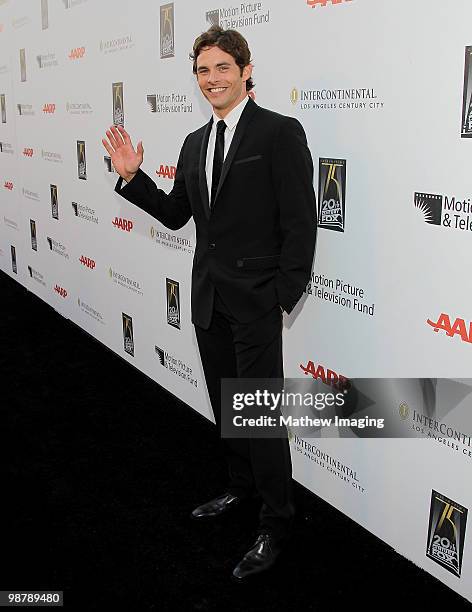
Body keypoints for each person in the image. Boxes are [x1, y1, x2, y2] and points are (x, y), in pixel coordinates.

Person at [102, 25, 317, 581]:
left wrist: (281, 296)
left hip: (257, 303)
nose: (212, 78)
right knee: (228, 408)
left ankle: (276, 521)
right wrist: (133, 178)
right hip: (209, 300)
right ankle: (239, 491)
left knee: (262, 417)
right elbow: (177, 214)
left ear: (245, 71)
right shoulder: (195, 143)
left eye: (223, 67)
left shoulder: (279, 132)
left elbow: (300, 223)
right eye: (203, 69)